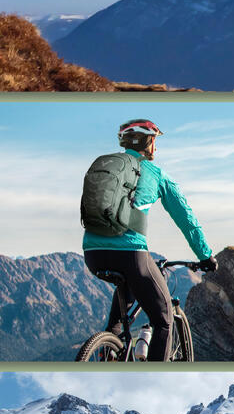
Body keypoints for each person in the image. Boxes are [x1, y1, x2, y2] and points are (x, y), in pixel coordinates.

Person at [82, 119, 217, 361]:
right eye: (155, 141)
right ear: (149, 142)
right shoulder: (156, 174)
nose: (156, 147)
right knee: (163, 320)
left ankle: (109, 354)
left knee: (116, 321)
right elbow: (185, 217)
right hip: (130, 254)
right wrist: (205, 255)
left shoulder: (110, 168)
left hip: (92, 252)